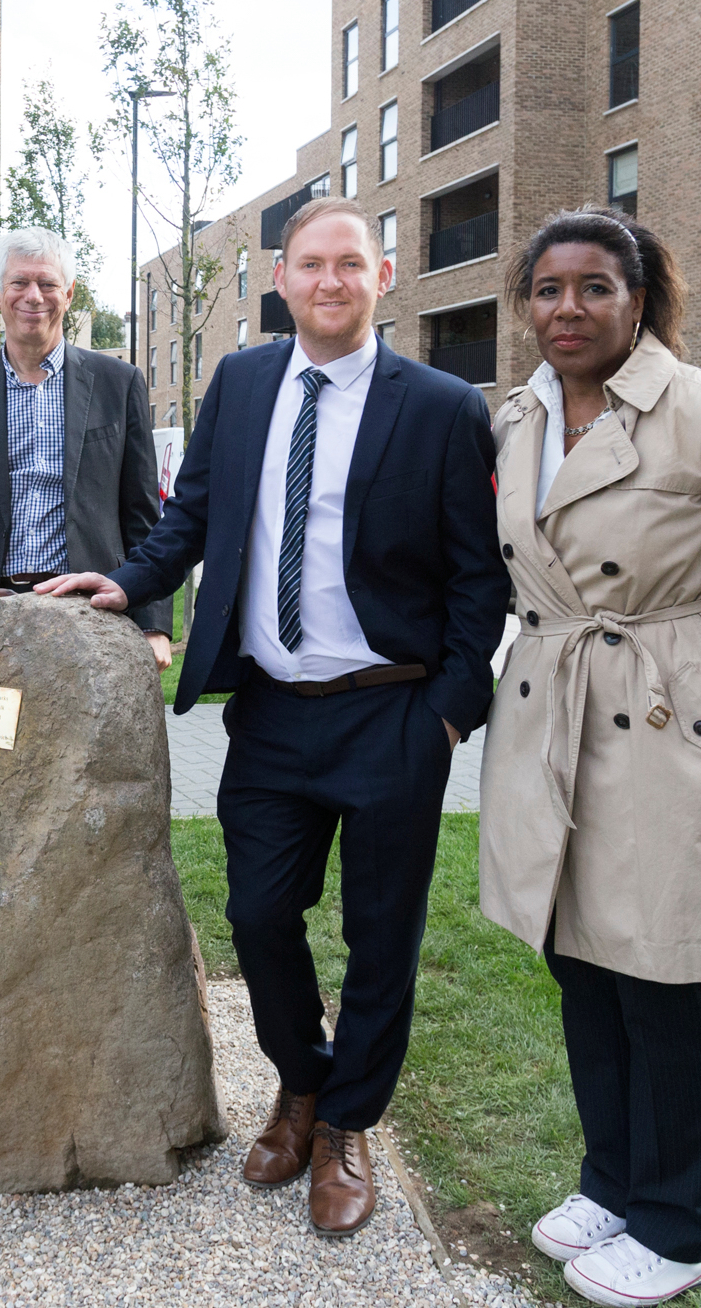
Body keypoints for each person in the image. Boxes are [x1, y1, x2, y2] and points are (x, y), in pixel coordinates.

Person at [38, 196, 507, 1238]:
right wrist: (124, 584)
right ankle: (300, 1077)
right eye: (310, 264)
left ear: (382, 276)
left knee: (382, 936)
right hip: (270, 712)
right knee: (257, 915)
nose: (330, 281)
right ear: (281, 278)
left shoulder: (437, 405)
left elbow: (481, 581)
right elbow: (192, 514)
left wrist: (449, 715)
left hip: (392, 713)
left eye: (350, 264)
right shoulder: (242, 381)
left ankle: (345, 1122)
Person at [482, 210, 701, 1307]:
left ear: (641, 298)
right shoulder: (517, 420)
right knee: (582, 961)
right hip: (552, 717)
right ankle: (613, 1178)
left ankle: (678, 1225)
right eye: (546, 289)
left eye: (593, 286)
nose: (567, 308)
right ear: (524, 304)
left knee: (669, 975)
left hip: (671, 718)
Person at [0, 225, 173, 669]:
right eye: (19, 283)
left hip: (91, 613)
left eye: (48, 283)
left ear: (68, 293)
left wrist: (153, 622)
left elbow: (142, 514)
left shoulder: (118, 384)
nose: (34, 296)